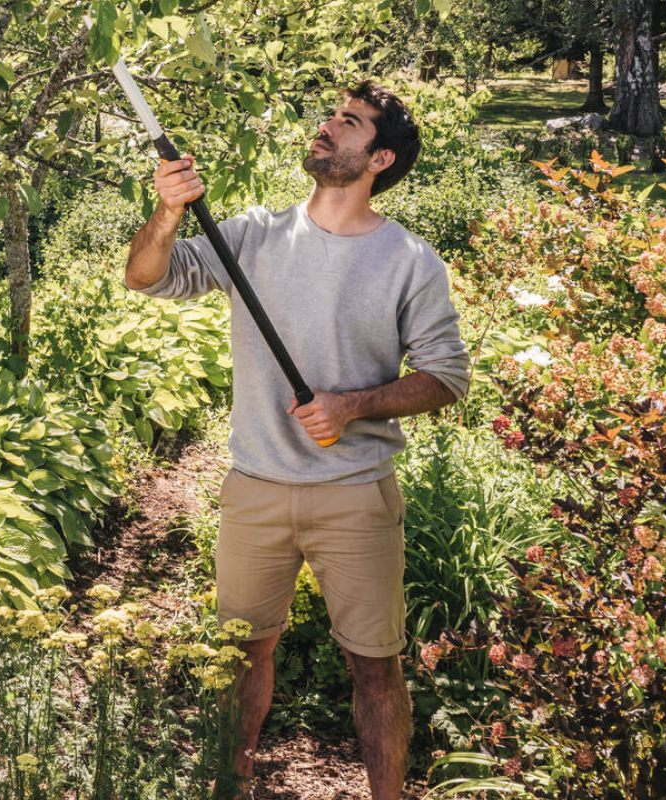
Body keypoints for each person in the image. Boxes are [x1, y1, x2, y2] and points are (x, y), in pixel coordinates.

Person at [124, 82, 470, 799]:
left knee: (376, 666)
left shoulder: (410, 260)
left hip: (356, 498)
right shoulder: (252, 235)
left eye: (349, 122)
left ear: (378, 157)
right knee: (240, 658)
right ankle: (231, 786)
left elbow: (445, 377)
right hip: (255, 489)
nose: (328, 125)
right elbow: (146, 277)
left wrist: (353, 405)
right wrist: (167, 211)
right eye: (330, 115)